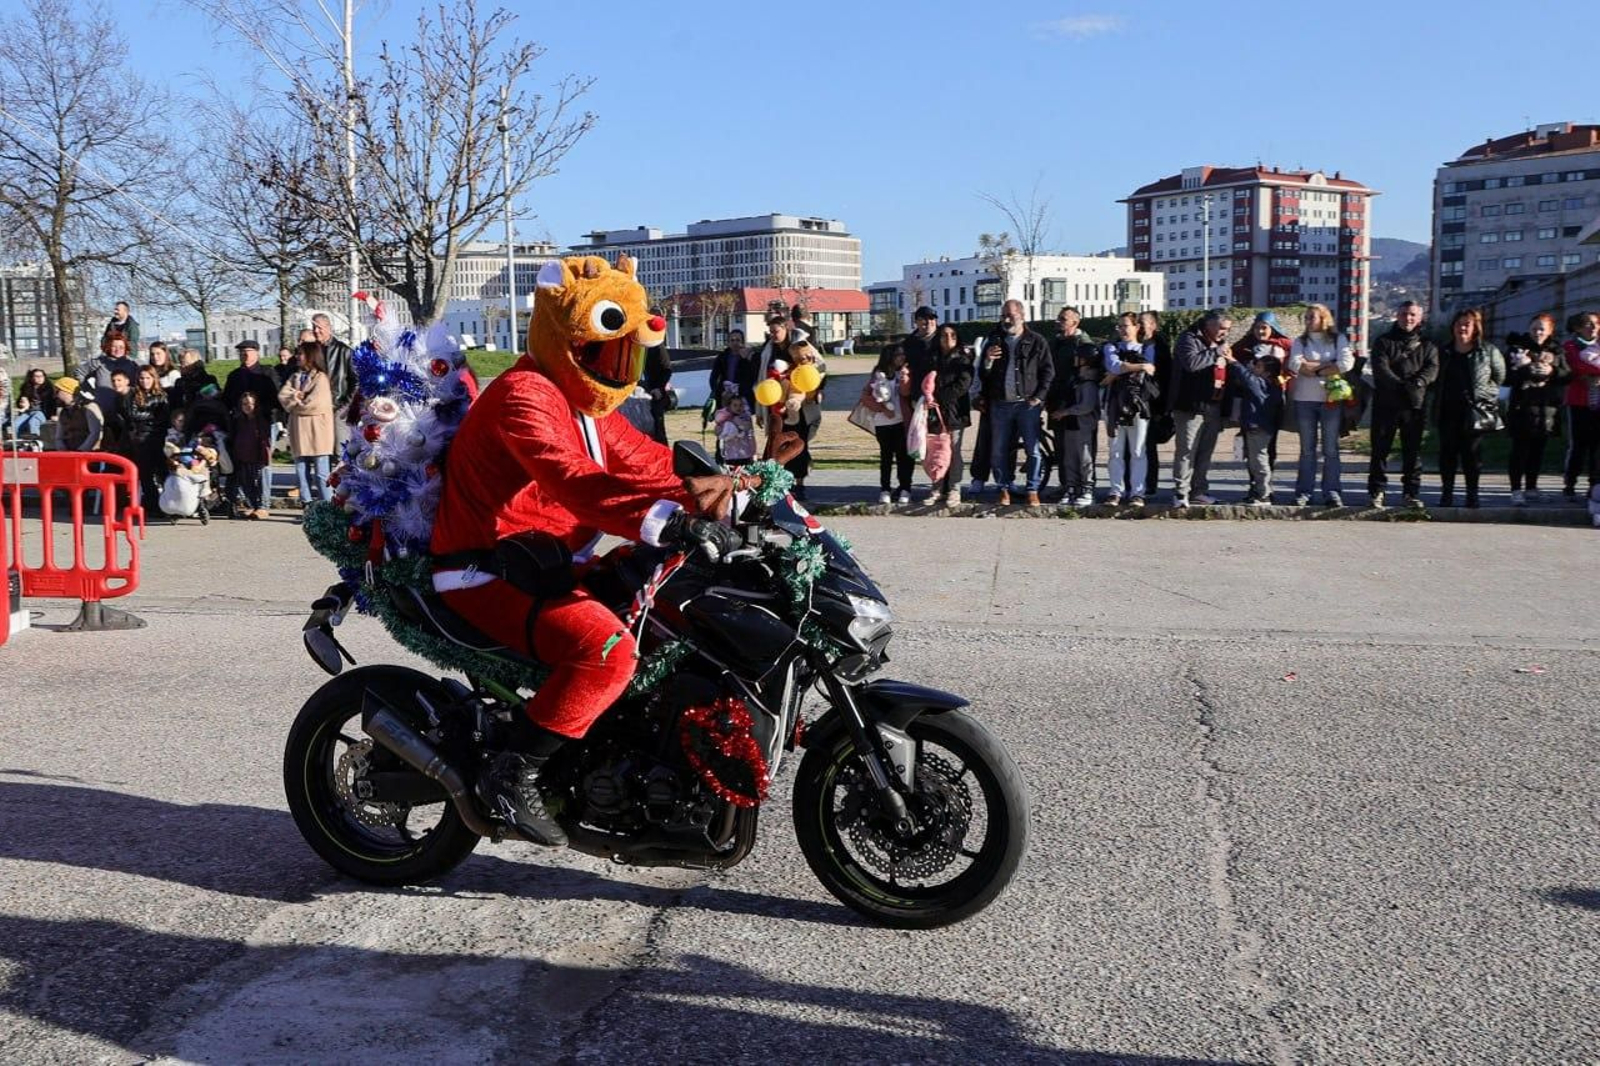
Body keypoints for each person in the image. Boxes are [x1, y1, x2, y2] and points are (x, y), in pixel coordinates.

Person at [430, 254, 732, 847]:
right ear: (564, 340)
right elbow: (572, 480)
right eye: (603, 353)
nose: (617, 369)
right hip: (486, 571)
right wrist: (664, 520)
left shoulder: (589, 407)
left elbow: (652, 465)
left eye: (628, 355)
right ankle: (512, 771)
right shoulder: (526, 395)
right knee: (607, 653)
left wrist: (732, 492)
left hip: (546, 564)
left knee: (667, 609)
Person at [976, 299, 1053, 506]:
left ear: (1022, 315)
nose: (1006, 320)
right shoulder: (995, 340)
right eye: (1003, 316)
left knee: (1033, 449)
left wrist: (1039, 397)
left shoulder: (1036, 341)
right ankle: (1003, 488)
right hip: (1000, 404)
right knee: (998, 449)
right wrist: (988, 360)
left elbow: (1048, 372)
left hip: (1027, 405)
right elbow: (983, 374)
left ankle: (1032, 489)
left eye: (1010, 315)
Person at [1366, 301, 1439, 508]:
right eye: (1405, 314)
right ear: (1397, 315)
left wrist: (1418, 383)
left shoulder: (1428, 344)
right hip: (1386, 404)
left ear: (1420, 318)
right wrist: (1401, 386)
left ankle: (1411, 493)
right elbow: (1380, 369)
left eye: (1413, 315)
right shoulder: (1383, 341)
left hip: (1414, 405)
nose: (1408, 318)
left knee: (1412, 451)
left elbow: (1432, 369)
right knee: (1380, 450)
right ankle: (1376, 491)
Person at [1434, 307, 1506, 508]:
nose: (1462, 328)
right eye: (1458, 324)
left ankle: (1472, 494)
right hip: (1448, 410)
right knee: (1447, 454)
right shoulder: (1444, 351)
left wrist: (1485, 396)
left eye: (1467, 324)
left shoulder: (1488, 351)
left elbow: (1499, 378)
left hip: (1474, 412)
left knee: (1472, 455)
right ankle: (1446, 493)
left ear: (1476, 328)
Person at [1285, 305, 1355, 507]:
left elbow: (1345, 363)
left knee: (1330, 448)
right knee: (1307, 449)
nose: (1307, 321)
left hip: (1330, 400)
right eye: (1305, 317)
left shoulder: (1337, 339)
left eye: (1311, 317)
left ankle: (1331, 491)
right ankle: (1304, 491)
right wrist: (1327, 366)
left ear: (1323, 318)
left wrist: (1313, 367)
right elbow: (1295, 364)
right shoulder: (1300, 341)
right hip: (1305, 400)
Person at [754, 313, 826, 497]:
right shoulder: (768, 350)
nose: (772, 335)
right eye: (770, 331)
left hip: (800, 405)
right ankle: (782, 482)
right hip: (776, 404)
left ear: (786, 328)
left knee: (799, 443)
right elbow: (762, 378)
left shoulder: (801, 345)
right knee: (777, 444)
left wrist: (815, 390)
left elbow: (819, 368)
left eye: (775, 331)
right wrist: (760, 409)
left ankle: (799, 483)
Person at [1504, 313, 1569, 505]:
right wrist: (1526, 368)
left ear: (1550, 331)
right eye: (1534, 328)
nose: (1537, 332)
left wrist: (1552, 371)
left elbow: (1568, 375)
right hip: (1522, 406)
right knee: (1519, 450)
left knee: (1538, 450)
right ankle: (1516, 489)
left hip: (1547, 408)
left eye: (1542, 329)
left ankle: (1531, 487)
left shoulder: (1556, 350)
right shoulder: (1518, 349)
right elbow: (1506, 377)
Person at [1170, 310, 1233, 508]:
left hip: (1213, 405)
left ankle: (1199, 491)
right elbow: (1192, 363)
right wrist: (1216, 352)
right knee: (1186, 450)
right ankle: (1181, 493)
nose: (1225, 333)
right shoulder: (1188, 339)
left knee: (1205, 452)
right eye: (1222, 329)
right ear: (1209, 325)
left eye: (1228, 330)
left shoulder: (1219, 344)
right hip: (1190, 406)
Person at [1100, 316, 1157, 509]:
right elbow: (1113, 366)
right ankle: (1115, 491)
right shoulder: (1110, 347)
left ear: (1136, 327)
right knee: (1115, 451)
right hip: (1113, 404)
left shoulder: (1147, 348)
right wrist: (1139, 366)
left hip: (1139, 405)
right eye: (1120, 326)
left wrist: (1116, 374)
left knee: (1138, 451)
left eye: (1127, 326)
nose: (1123, 330)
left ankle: (1137, 493)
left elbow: (1150, 371)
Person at [224, 339, 283, 506]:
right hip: (242, 424)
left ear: (257, 352)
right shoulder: (234, 376)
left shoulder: (267, 372)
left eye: (248, 351)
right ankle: (251, 500)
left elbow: (276, 397)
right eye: (241, 352)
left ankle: (264, 502)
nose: (244, 354)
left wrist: (261, 410)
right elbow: (227, 399)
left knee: (263, 462)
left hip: (264, 422)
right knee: (244, 462)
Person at [1224, 349, 1285, 505]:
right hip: (1260, 427)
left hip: (1258, 427)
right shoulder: (1274, 387)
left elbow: (1246, 377)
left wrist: (1232, 360)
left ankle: (1263, 493)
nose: (1253, 368)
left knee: (1259, 461)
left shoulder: (1261, 384)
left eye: (1258, 367)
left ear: (1267, 373)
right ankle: (1259, 491)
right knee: (1255, 460)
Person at [1048, 307, 1097, 501]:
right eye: (1059, 318)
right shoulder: (1056, 342)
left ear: (1075, 322)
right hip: (1057, 400)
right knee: (1062, 447)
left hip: (1074, 402)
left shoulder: (1083, 344)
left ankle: (1083, 486)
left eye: (1063, 319)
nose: (1059, 322)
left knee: (1082, 450)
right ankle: (1067, 485)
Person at [278, 341, 336, 506]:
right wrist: (297, 397)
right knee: (301, 470)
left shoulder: (321, 378)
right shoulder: (294, 377)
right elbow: (283, 396)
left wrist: (294, 402)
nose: (297, 357)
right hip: (298, 431)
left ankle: (327, 504)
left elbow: (315, 404)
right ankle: (307, 502)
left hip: (318, 433)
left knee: (321, 472)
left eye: (301, 354)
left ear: (311, 356)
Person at [926, 323, 974, 507]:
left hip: (955, 412)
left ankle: (954, 488)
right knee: (936, 451)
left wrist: (940, 397)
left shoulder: (963, 358)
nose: (948, 339)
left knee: (954, 452)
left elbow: (963, 384)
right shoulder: (932, 358)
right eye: (944, 335)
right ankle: (937, 487)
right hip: (935, 413)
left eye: (952, 335)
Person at [860, 344, 913, 505]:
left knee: (905, 457)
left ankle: (905, 488)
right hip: (883, 422)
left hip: (902, 421)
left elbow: (906, 393)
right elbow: (866, 397)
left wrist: (905, 378)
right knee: (886, 457)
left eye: (903, 355)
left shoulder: (906, 372)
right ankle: (885, 489)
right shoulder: (878, 374)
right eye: (898, 355)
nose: (902, 358)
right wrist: (882, 408)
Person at [1561, 311, 1600, 502]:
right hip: (1578, 401)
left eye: (1595, 323)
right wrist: (1594, 372)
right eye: (1587, 323)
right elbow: (1576, 366)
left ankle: (1595, 484)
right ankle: (1570, 482)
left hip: (1598, 401)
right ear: (1577, 328)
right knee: (1578, 444)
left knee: (1596, 445)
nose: (1592, 327)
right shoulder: (1570, 346)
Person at [122, 366, 171, 508]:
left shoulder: (161, 395)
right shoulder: (133, 394)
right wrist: (152, 415)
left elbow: (164, 418)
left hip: (158, 437)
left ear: (153, 378)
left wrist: (149, 416)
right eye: (142, 378)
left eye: (148, 378)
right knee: (146, 474)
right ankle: (152, 503)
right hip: (140, 438)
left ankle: (168, 502)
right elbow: (132, 414)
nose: (145, 381)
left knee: (163, 471)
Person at [1138, 311, 1172, 500]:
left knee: (1148, 444)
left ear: (1153, 326)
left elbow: (1167, 377)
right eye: (1139, 323)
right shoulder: (1131, 344)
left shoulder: (1161, 347)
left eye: (1144, 323)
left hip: (1154, 402)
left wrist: (1165, 406)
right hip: (1132, 400)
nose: (1141, 327)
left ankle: (1150, 484)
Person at [311, 312, 356, 444]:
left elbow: (356, 381)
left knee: (340, 450)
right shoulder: (311, 352)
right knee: (321, 452)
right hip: (316, 410)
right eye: (314, 327)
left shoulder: (344, 351)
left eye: (319, 327)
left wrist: (346, 405)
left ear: (329, 328)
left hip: (337, 408)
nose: (316, 331)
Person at [228, 391, 272, 519]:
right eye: (245, 404)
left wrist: (264, 455)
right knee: (247, 482)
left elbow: (265, 440)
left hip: (259, 456)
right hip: (243, 456)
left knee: (262, 481)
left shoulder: (261, 420)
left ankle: (263, 506)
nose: (248, 406)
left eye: (251, 404)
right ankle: (252, 505)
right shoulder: (239, 420)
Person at [81, 332, 140, 417]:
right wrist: (89, 390)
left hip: (127, 411)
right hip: (104, 409)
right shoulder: (99, 362)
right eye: (114, 346)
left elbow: (146, 374)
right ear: (108, 347)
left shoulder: (132, 363)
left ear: (126, 348)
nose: (118, 349)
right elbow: (79, 373)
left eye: (121, 347)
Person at [707, 329, 757, 410]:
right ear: (728, 342)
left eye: (738, 340)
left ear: (743, 342)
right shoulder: (722, 357)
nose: (735, 343)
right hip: (725, 397)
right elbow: (713, 378)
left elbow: (752, 378)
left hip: (743, 398)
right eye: (732, 340)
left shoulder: (749, 357)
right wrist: (720, 392)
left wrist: (739, 391)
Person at [53, 377, 103, 452]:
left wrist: (80, 452)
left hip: (89, 455)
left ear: (67, 391)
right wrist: (62, 450)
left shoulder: (90, 407)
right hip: (69, 454)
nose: (55, 396)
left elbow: (96, 434)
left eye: (57, 391)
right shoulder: (63, 412)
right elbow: (59, 437)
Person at [903, 305, 940, 397]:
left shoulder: (944, 339)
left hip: (941, 391)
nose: (928, 322)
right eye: (923, 319)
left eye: (932, 318)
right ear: (916, 321)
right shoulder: (908, 343)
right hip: (917, 391)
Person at [640, 341, 672, 444]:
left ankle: (663, 452)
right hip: (641, 392)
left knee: (657, 426)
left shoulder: (656, 346)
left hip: (655, 393)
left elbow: (667, 369)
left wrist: (659, 388)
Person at [713, 390, 757, 464]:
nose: (738, 407)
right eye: (735, 405)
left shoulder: (746, 417)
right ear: (729, 407)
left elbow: (749, 429)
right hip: (730, 453)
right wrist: (719, 431)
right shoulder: (725, 418)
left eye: (741, 405)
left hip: (745, 452)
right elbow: (718, 432)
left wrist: (738, 422)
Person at [12, 368, 56, 439]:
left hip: (42, 412)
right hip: (28, 412)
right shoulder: (27, 388)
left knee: (33, 422)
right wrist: (21, 403)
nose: (39, 378)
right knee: (15, 424)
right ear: (32, 378)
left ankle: (35, 442)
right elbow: (20, 402)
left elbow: (53, 403)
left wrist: (53, 415)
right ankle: (17, 443)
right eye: (36, 376)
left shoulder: (49, 389)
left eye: (41, 376)